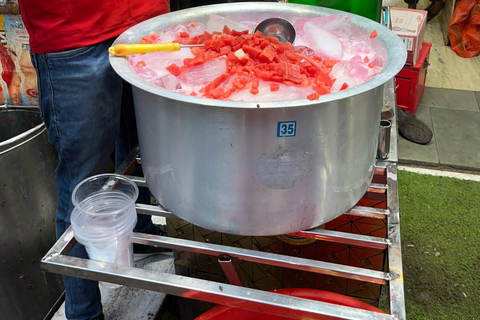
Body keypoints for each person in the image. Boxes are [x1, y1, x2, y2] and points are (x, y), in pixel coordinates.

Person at [18, 1, 170, 319]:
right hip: (74, 35)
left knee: (144, 150)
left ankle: (140, 234)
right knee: (82, 183)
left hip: (144, 22)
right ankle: (84, 312)